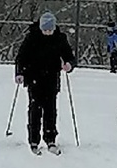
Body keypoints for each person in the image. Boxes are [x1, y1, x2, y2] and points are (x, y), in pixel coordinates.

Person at [14, 11, 76, 154]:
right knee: (35, 110)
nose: (47, 32)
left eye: (50, 30)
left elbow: (70, 57)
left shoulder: (60, 39)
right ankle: (34, 140)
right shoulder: (32, 38)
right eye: (45, 30)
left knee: (50, 110)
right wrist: (19, 73)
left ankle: (50, 139)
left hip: (51, 79)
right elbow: (21, 57)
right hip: (34, 78)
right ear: (41, 28)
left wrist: (69, 65)